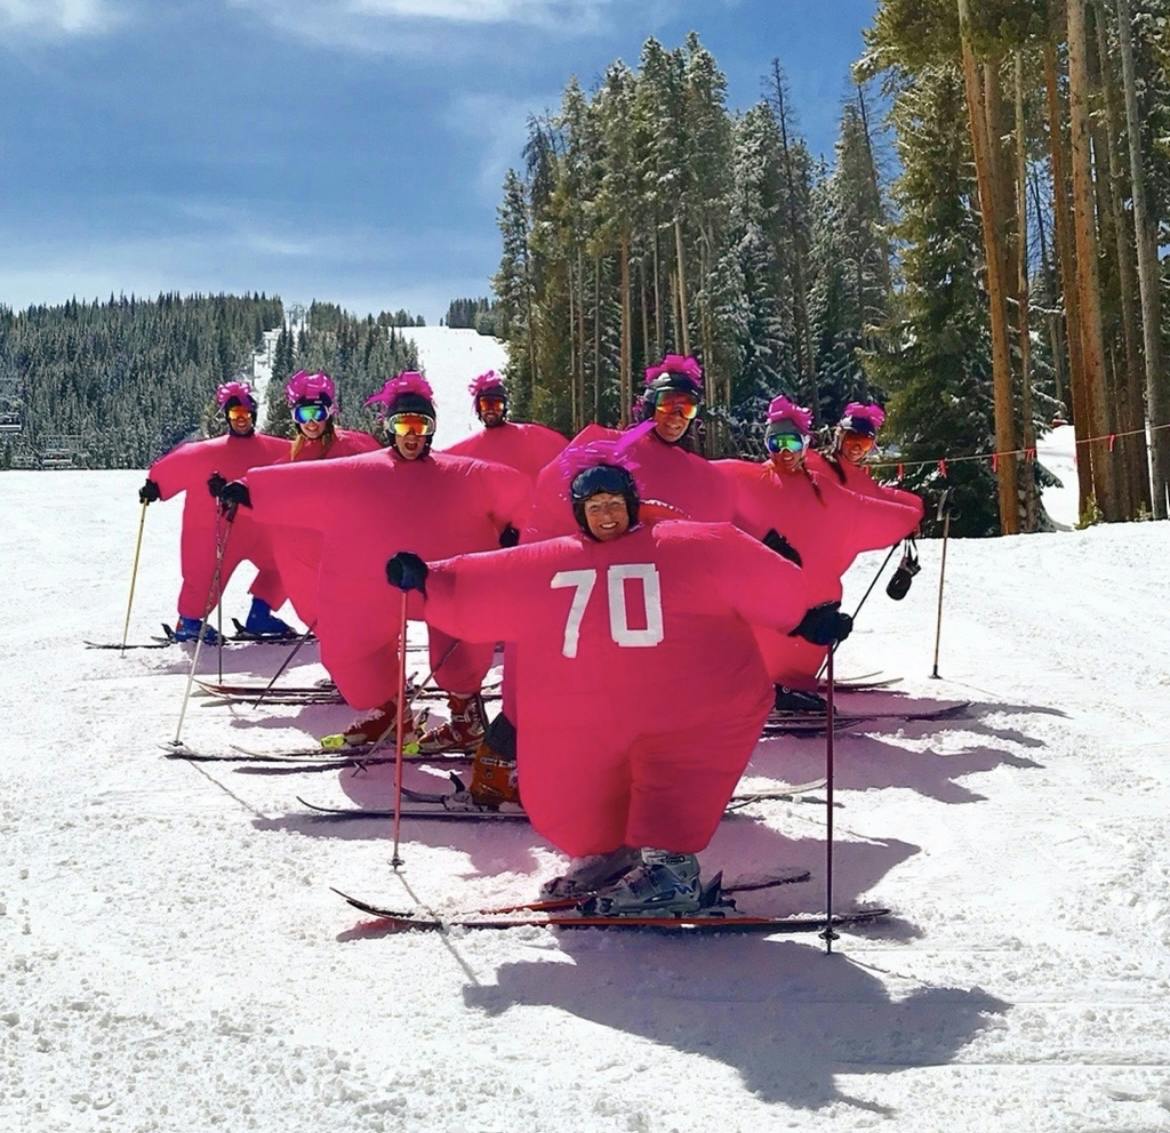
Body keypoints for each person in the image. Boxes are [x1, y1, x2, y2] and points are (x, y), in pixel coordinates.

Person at [385, 444, 851, 915]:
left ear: (632, 505)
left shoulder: (686, 545)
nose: (606, 516)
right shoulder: (553, 561)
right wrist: (428, 577)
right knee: (580, 795)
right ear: (579, 514)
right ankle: (614, 853)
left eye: (614, 505)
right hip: (596, 718)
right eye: (594, 507)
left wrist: (805, 618)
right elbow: (490, 581)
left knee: (674, 779)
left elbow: (745, 570)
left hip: (690, 712)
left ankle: (672, 871)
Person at [472, 354, 735, 808]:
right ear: (647, 405)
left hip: (643, 606)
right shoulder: (606, 450)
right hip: (582, 595)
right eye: (667, 405)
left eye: (686, 409)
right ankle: (494, 769)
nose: (675, 417)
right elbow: (552, 504)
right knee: (544, 689)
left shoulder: (698, 473)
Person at [219, 372, 529, 750]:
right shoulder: (359, 473)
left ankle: (465, 716)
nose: (412, 434)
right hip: (373, 585)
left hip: (445, 582)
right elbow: (304, 483)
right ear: (390, 428)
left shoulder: (464, 474)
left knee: (460, 642)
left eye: (421, 424)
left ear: (431, 429)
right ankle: (388, 710)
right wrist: (249, 491)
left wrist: (517, 529)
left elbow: (520, 494)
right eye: (403, 424)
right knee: (351, 643)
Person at [716, 395, 922, 710]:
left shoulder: (825, 487)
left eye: (793, 444)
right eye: (776, 443)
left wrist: (915, 511)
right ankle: (760, 683)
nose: (785, 452)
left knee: (816, 625)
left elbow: (869, 508)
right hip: (760, 600)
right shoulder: (750, 479)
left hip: (814, 602)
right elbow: (697, 480)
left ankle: (789, 682)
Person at [138, 380, 292, 642]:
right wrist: (155, 486)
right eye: (234, 415)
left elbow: (305, 463)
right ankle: (189, 623)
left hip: (262, 530)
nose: (240, 420)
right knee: (204, 574)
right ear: (227, 418)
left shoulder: (277, 449)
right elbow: (176, 465)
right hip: (216, 530)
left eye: (244, 414)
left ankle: (260, 616)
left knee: (288, 564)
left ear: (253, 416)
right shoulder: (205, 453)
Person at [267, 371, 381, 630]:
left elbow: (383, 467)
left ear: (329, 414)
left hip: (356, 540)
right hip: (319, 543)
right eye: (303, 415)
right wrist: (239, 488)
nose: (311, 423)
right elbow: (271, 479)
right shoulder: (297, 454)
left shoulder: (351, 445)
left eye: (317, 414)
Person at [807, 401, 925, 521]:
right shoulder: (819, 465)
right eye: (852, 439)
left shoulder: (855, 475)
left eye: (864, 444)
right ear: (839, 437)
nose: (856, 449)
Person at [442, 371, 567, 482]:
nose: (491, 410)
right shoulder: (468, 448)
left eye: (497, 404)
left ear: (504, 408)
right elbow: (445, 463)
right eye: (486, 404)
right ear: (478, 407)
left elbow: (560, 454)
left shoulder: (528, 436)